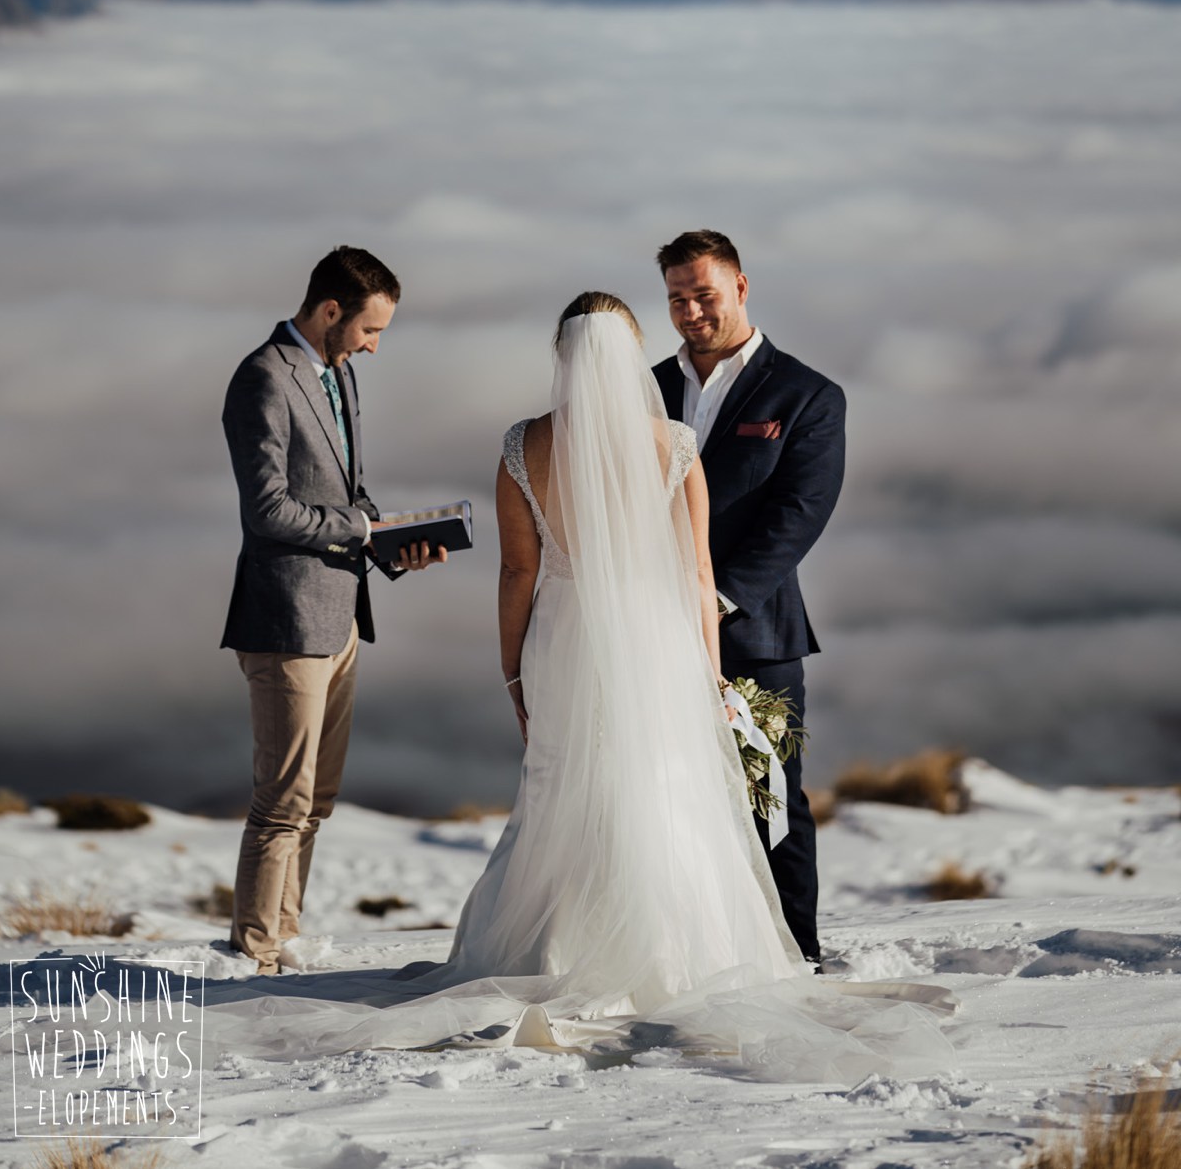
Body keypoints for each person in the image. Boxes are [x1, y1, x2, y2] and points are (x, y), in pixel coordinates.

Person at [205, 292, 951, 1082]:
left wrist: (513, 669)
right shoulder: (674, 444)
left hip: (562, 638)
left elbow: (517, 573)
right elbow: (698, 575)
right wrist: (707, 676)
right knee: (661, 788)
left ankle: (551, 947)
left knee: (565, 785)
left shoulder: (524, 445)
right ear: (631, 358)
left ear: (561, 356)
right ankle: (676, 951)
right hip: (657, 637)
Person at [221, 244, 445, 975]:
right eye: (369, 329)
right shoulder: (263, 378)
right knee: (281, 802)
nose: (374, 346)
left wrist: (395, 544)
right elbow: (267, 510)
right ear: (328, 310)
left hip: (341, 613)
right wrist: (362, 530)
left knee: (317, 797)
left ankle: (285, 937)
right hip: (285, 618)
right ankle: (253, 955)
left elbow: (348, 494)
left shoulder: (337, 374)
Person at [652, 229, 845, 967]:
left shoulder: (807, 394)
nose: (692, 312)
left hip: (756, 635)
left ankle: (796, 954)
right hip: (651, 629)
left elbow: (800, 513)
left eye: (704, 295)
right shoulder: (646, 388)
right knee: (667, 800)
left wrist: (718, 599)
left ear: (740, 286)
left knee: (771, 800)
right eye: (677, 299)